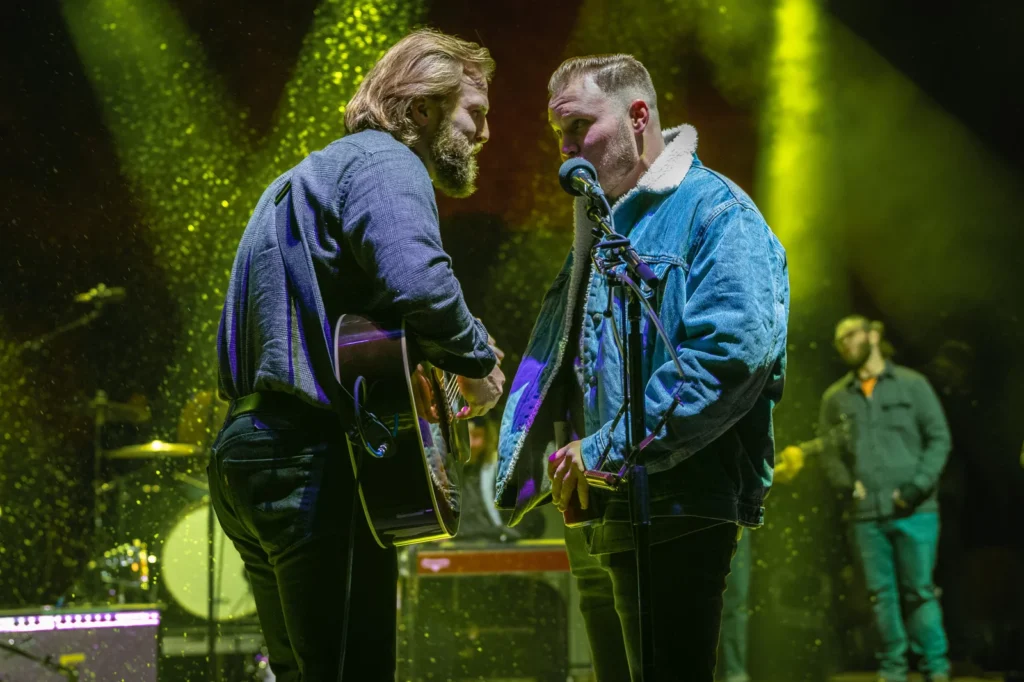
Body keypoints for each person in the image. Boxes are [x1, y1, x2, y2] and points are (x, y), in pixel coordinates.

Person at [211, 29, 505, 680]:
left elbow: (374, 313)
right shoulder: (387, 162)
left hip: (249, 455)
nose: (485, 132)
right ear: (422, 109)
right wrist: (475, 362)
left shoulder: (300, 180)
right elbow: (419, 283)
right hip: (317, 462)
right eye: (475, 113)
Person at [494, 54, 790, 681]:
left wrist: (604, 446)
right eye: (559, 135)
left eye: (578, 128)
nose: (566, 151)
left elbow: (728, 359)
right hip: (598, 506)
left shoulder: (718, 213)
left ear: (637, 116)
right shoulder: (602, 228)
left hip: (676, 503)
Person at [785, 316, 952, 682]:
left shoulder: (912, 385)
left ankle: (935, 670)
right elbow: (829, 450)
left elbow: (939, 438)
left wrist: (916, 487)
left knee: (919, 591)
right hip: (865, 517)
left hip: (915, 512)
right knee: (880, 595)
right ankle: (892, 670)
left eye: (850, 334)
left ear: (873, 335)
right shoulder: (835, 397)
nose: (844, 343)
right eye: (838, 339)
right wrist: (845, 486)